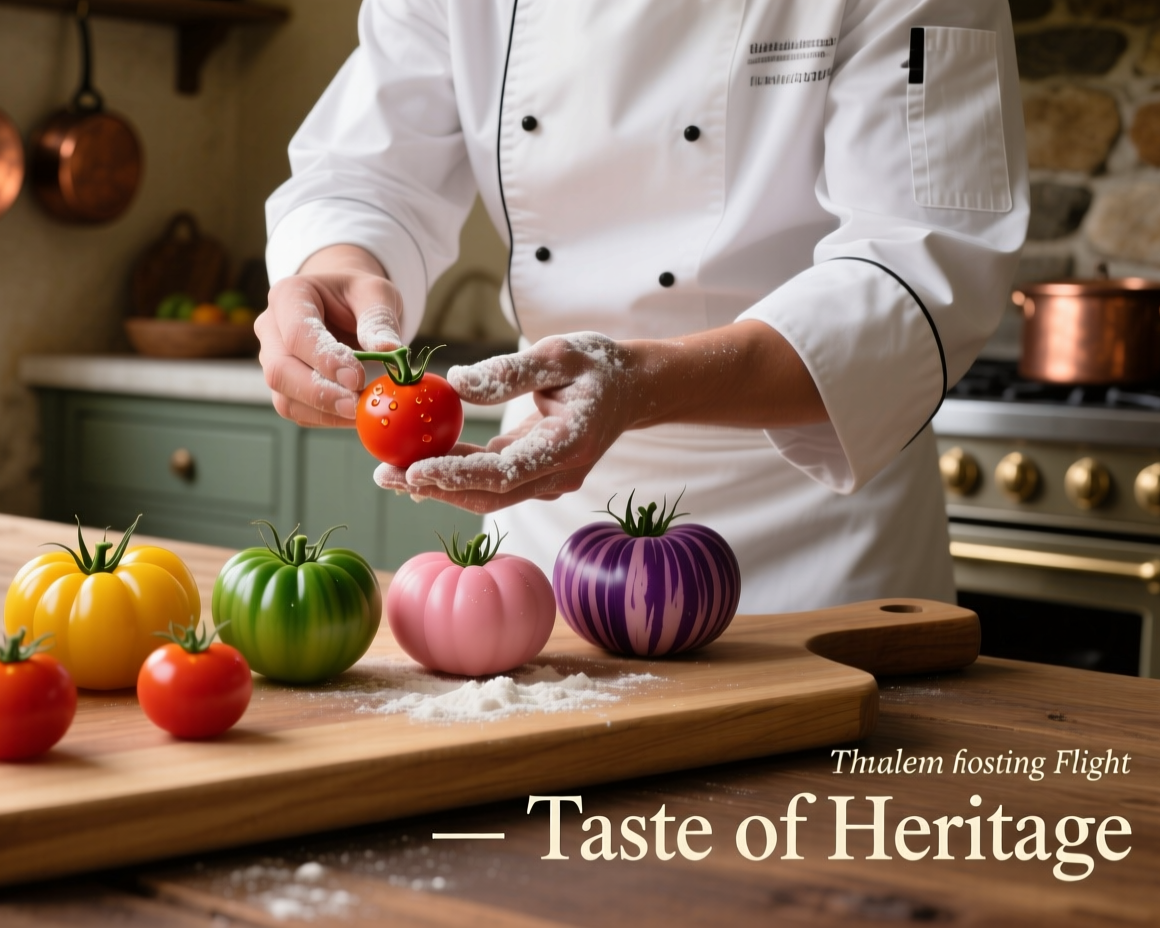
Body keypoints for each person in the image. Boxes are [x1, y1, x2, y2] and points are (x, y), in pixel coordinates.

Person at [255, 1, 1028, 613]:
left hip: (815, 531)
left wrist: (642, 382)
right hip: (549, 540)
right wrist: (336, 270)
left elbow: (921, 262)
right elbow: (365, 175)